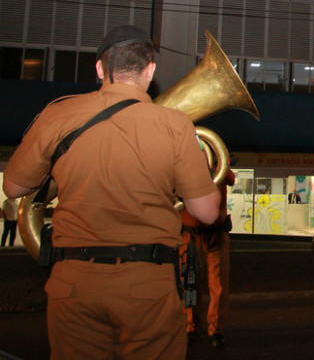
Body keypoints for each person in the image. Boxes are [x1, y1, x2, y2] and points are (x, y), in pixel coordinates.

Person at [2, 25, 221, 360]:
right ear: (150, 70)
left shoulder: (56, 114)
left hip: (73, 285)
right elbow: (206, 213)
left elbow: (14, 186)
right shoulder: (176, 125)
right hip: (147, 287)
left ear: (100, 69)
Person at [181, 169, 235, 348]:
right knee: (190, 284)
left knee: (215, 286)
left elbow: (229, 178)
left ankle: (215, 330)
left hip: (212, 233)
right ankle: (193, 327)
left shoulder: (216, 165)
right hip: (191, 234)